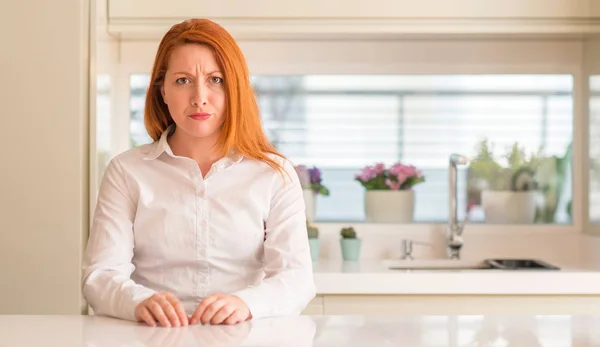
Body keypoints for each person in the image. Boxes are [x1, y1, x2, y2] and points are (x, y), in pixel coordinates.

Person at [82, 18, 316, 328]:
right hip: (152, 337)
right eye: (182, 80)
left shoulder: (274, 174)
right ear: (162, 90)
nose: (199, 97)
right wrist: (138, 301)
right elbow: (100, 276)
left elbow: (297, 279)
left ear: (235, 89)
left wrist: (245, 304)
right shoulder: (127, 171)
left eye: (215, 79)